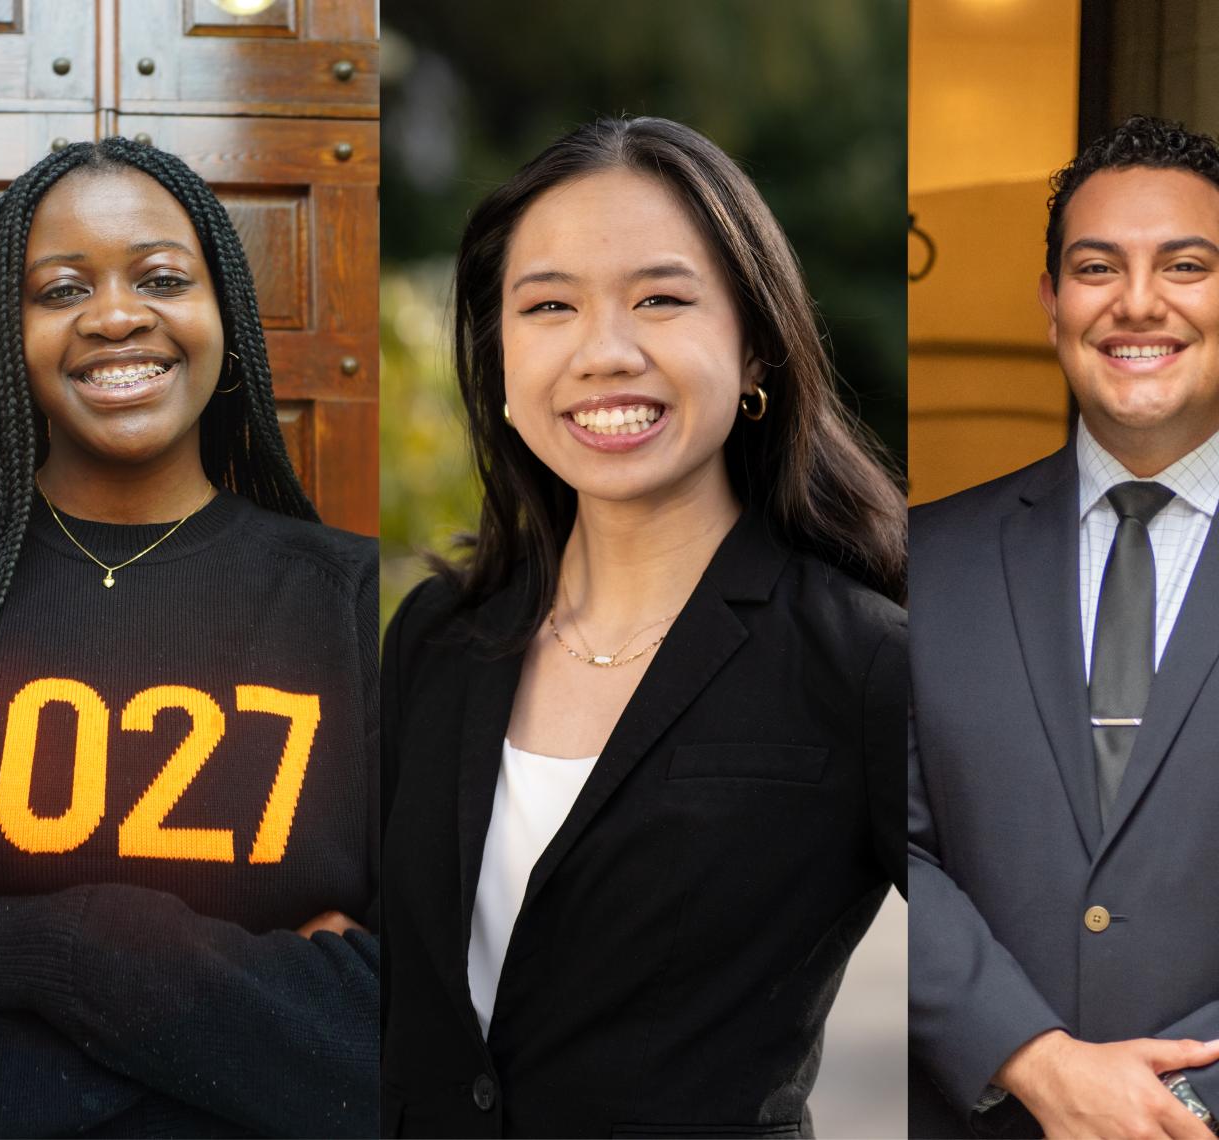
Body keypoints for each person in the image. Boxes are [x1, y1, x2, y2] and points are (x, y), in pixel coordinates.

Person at [380, 116, 908, 1138]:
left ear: (755, 347)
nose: (603, 352)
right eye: (549, 307)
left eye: (661, 300)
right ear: (499, 354)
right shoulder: (436, 638)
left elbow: (1027, 957)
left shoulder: (863, 662)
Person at [0, 136, 378, 1138]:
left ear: (223, 311)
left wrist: (51, 951)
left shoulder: (354, 604)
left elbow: (403, 1033)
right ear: (7, 335)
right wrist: (249, 1014)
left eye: (162, 278)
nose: (115, 315)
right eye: (58, 290)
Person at [909, 114, 1219, 1140]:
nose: (1139, 302)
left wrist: (1173, 1106)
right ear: (1052, 306)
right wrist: (1034, 1059)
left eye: (1186, 265)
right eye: (1097, 267)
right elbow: (868, 843)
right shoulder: (922, 565)